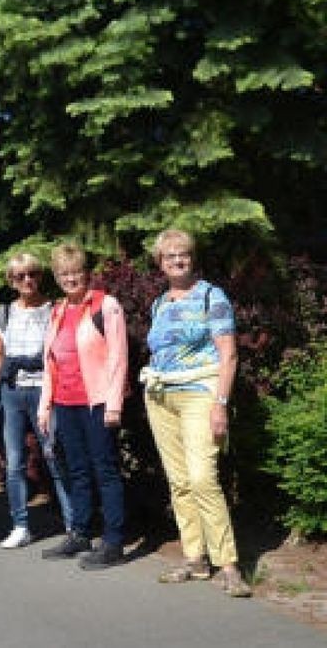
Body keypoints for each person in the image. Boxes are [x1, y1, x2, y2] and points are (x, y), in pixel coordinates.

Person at [143, 229, 250, 597]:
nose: (177, 260)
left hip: (200, 395)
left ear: (192, 257)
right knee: (180, 481)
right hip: (161, 398)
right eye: (169, 255)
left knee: (204, 478)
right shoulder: (159, 303)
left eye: (183, 254)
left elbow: (229, 355)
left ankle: (229, 566)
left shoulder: (210, 296)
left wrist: (221, 404)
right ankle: (194, 558)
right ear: (160, 262)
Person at [38, 243, 128, 570]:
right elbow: (50, 361)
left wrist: (114, 404)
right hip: (65, 401)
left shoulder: (106, 305)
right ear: (57, 276)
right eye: (64, 273)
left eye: (76, 272)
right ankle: (80, 532)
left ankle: (114, 540)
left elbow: (119, 357)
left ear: (86, 273)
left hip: (98, 401)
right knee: (76, 470)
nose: (71, 278)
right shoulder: (58, 310)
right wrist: (45, 405)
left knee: (104, 470)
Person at [0, 252, 72, 548]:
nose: (28, 280)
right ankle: (20, 524)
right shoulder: (4, 313)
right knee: (14, 464)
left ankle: (74, 524)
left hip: (44, 392)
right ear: (12, 281)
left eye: (32, 274)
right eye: (20, 276)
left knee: (54, 456)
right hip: (12, 393)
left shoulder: (55, 309)